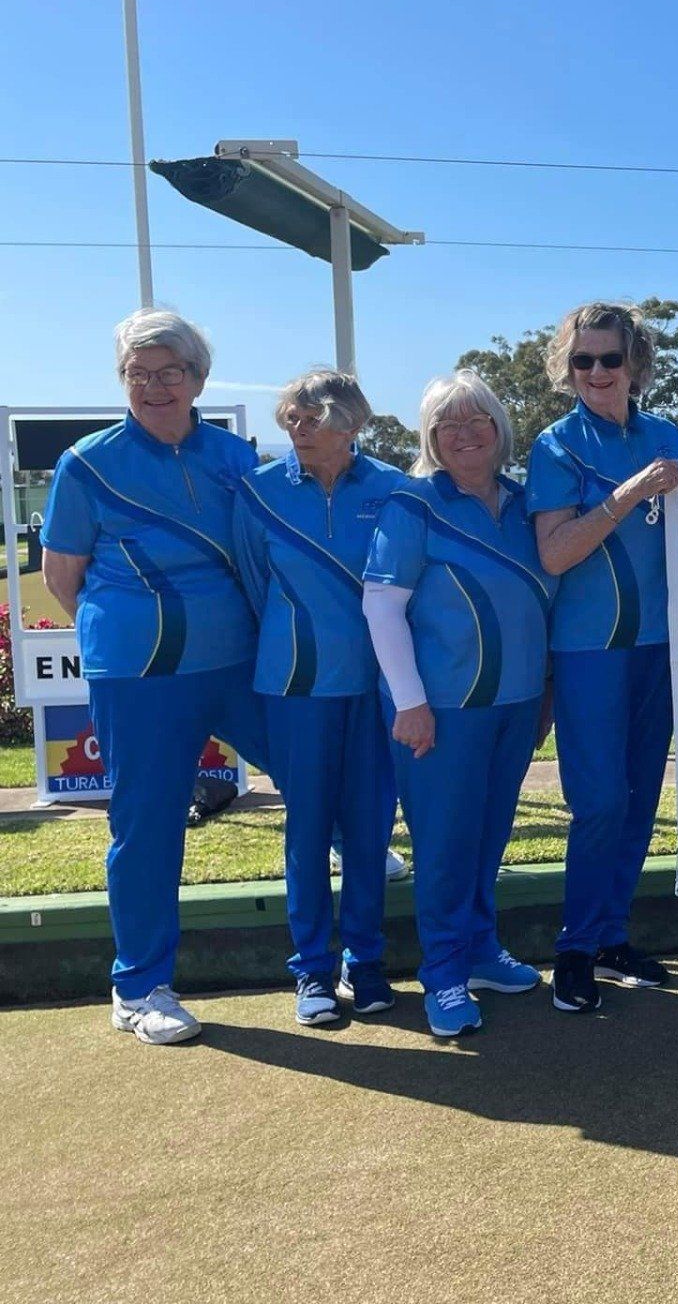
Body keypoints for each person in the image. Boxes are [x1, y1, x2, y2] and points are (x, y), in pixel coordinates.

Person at [40, 308, 269, 1044]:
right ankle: (140, 986)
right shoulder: (87, 461)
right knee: (147, 824)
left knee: (320, 770)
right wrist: (135, 629)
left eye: (170, 372)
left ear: (198, 379)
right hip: (140, 675)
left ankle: (340, 921)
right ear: (123, 381)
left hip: (239, 661)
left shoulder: (237, 456)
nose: (155, 386)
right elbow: (62, 578)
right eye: (139, 374)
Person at [362, 370, 554, 1038]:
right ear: (431, 438)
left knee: (487, 837)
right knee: (443, 844)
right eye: (450, 424)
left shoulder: (527, 502)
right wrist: (409, 702)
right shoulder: (412, 503)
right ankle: (442, 975)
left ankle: (478, 948)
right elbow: (382, 607)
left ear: (501, 430)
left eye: (479, 422)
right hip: (440, 710)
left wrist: (544, 697)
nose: (466, 434)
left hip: (516, 703)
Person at [526, 302, 678, 1014]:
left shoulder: (666, 438)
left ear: (636, 366)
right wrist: (627, 496)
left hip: (658, 649)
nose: (597, 373)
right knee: (596, 802)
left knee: (635, 800)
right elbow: (555, 551)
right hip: (589, 650)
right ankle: (574, 946)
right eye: (582, 361)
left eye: (610, 359)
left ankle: (611, 935)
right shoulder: (556, 445)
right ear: (566, 369)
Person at [233, 370, 405, 1025]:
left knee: (368, 831)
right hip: (295, 686)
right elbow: (255, 585)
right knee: (306, 832)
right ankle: (311, 973)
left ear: (352, 423)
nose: (298, 431)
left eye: (312, 419)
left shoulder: (394, 489)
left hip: (375, 688)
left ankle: (366, 963)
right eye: (292, 420)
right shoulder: (258, 491)